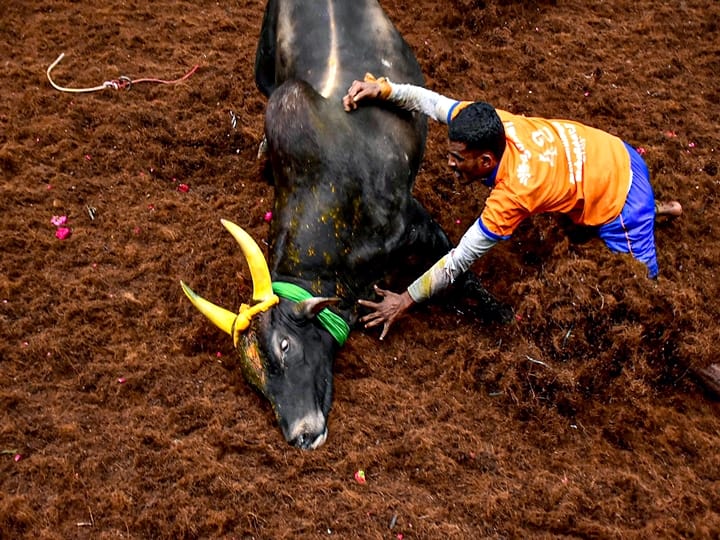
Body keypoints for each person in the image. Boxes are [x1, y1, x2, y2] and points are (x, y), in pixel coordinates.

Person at [342, 74, 682, 340]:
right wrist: (383, 90)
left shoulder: (513, 195)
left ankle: (687, 347)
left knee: (640, 296)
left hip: (622, 199)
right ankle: (658, 209)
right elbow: (428, 102)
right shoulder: (488, 123)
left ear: (486, 160)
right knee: (575, 223)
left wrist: (403, 300)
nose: (449, 163)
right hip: (611, 151)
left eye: (457, 158)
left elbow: (458, 261)